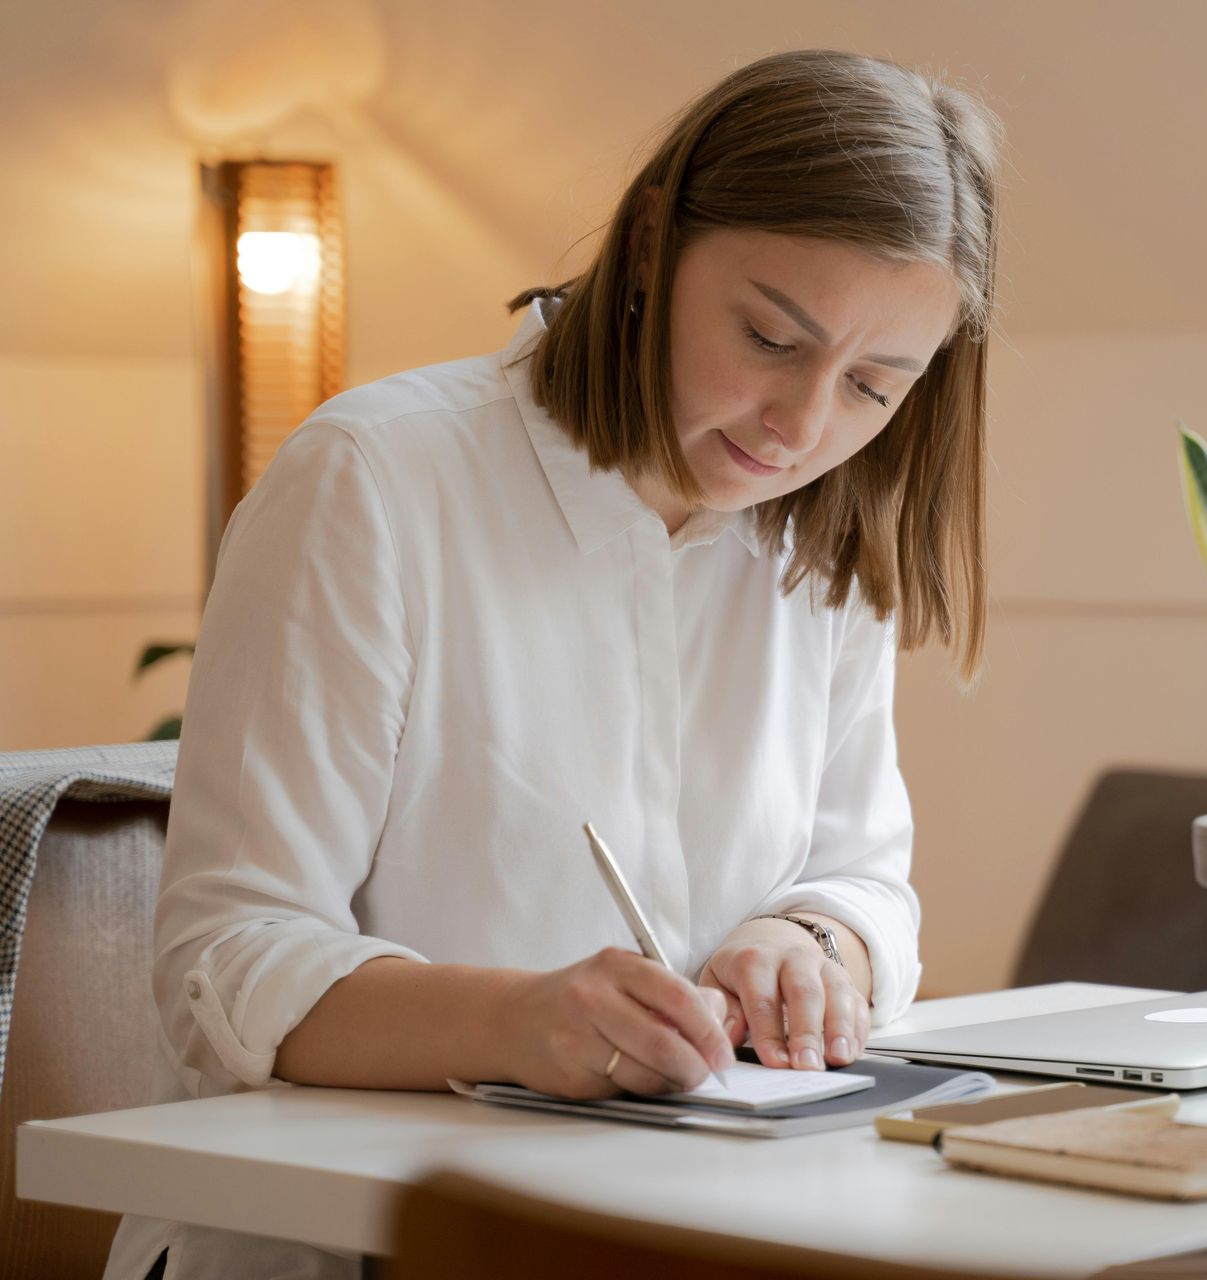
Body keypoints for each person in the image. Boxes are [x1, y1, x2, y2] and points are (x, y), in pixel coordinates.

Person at [104, 48, 1002, 1280]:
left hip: (687, 1224)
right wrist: (515, 1020)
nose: (802, 425)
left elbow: (863, 878)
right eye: (767, 336)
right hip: (348, 1246)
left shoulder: (816, 538)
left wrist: (811, 941)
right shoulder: (378, 479)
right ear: (648, 246)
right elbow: (227, 956)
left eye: (873, 385)